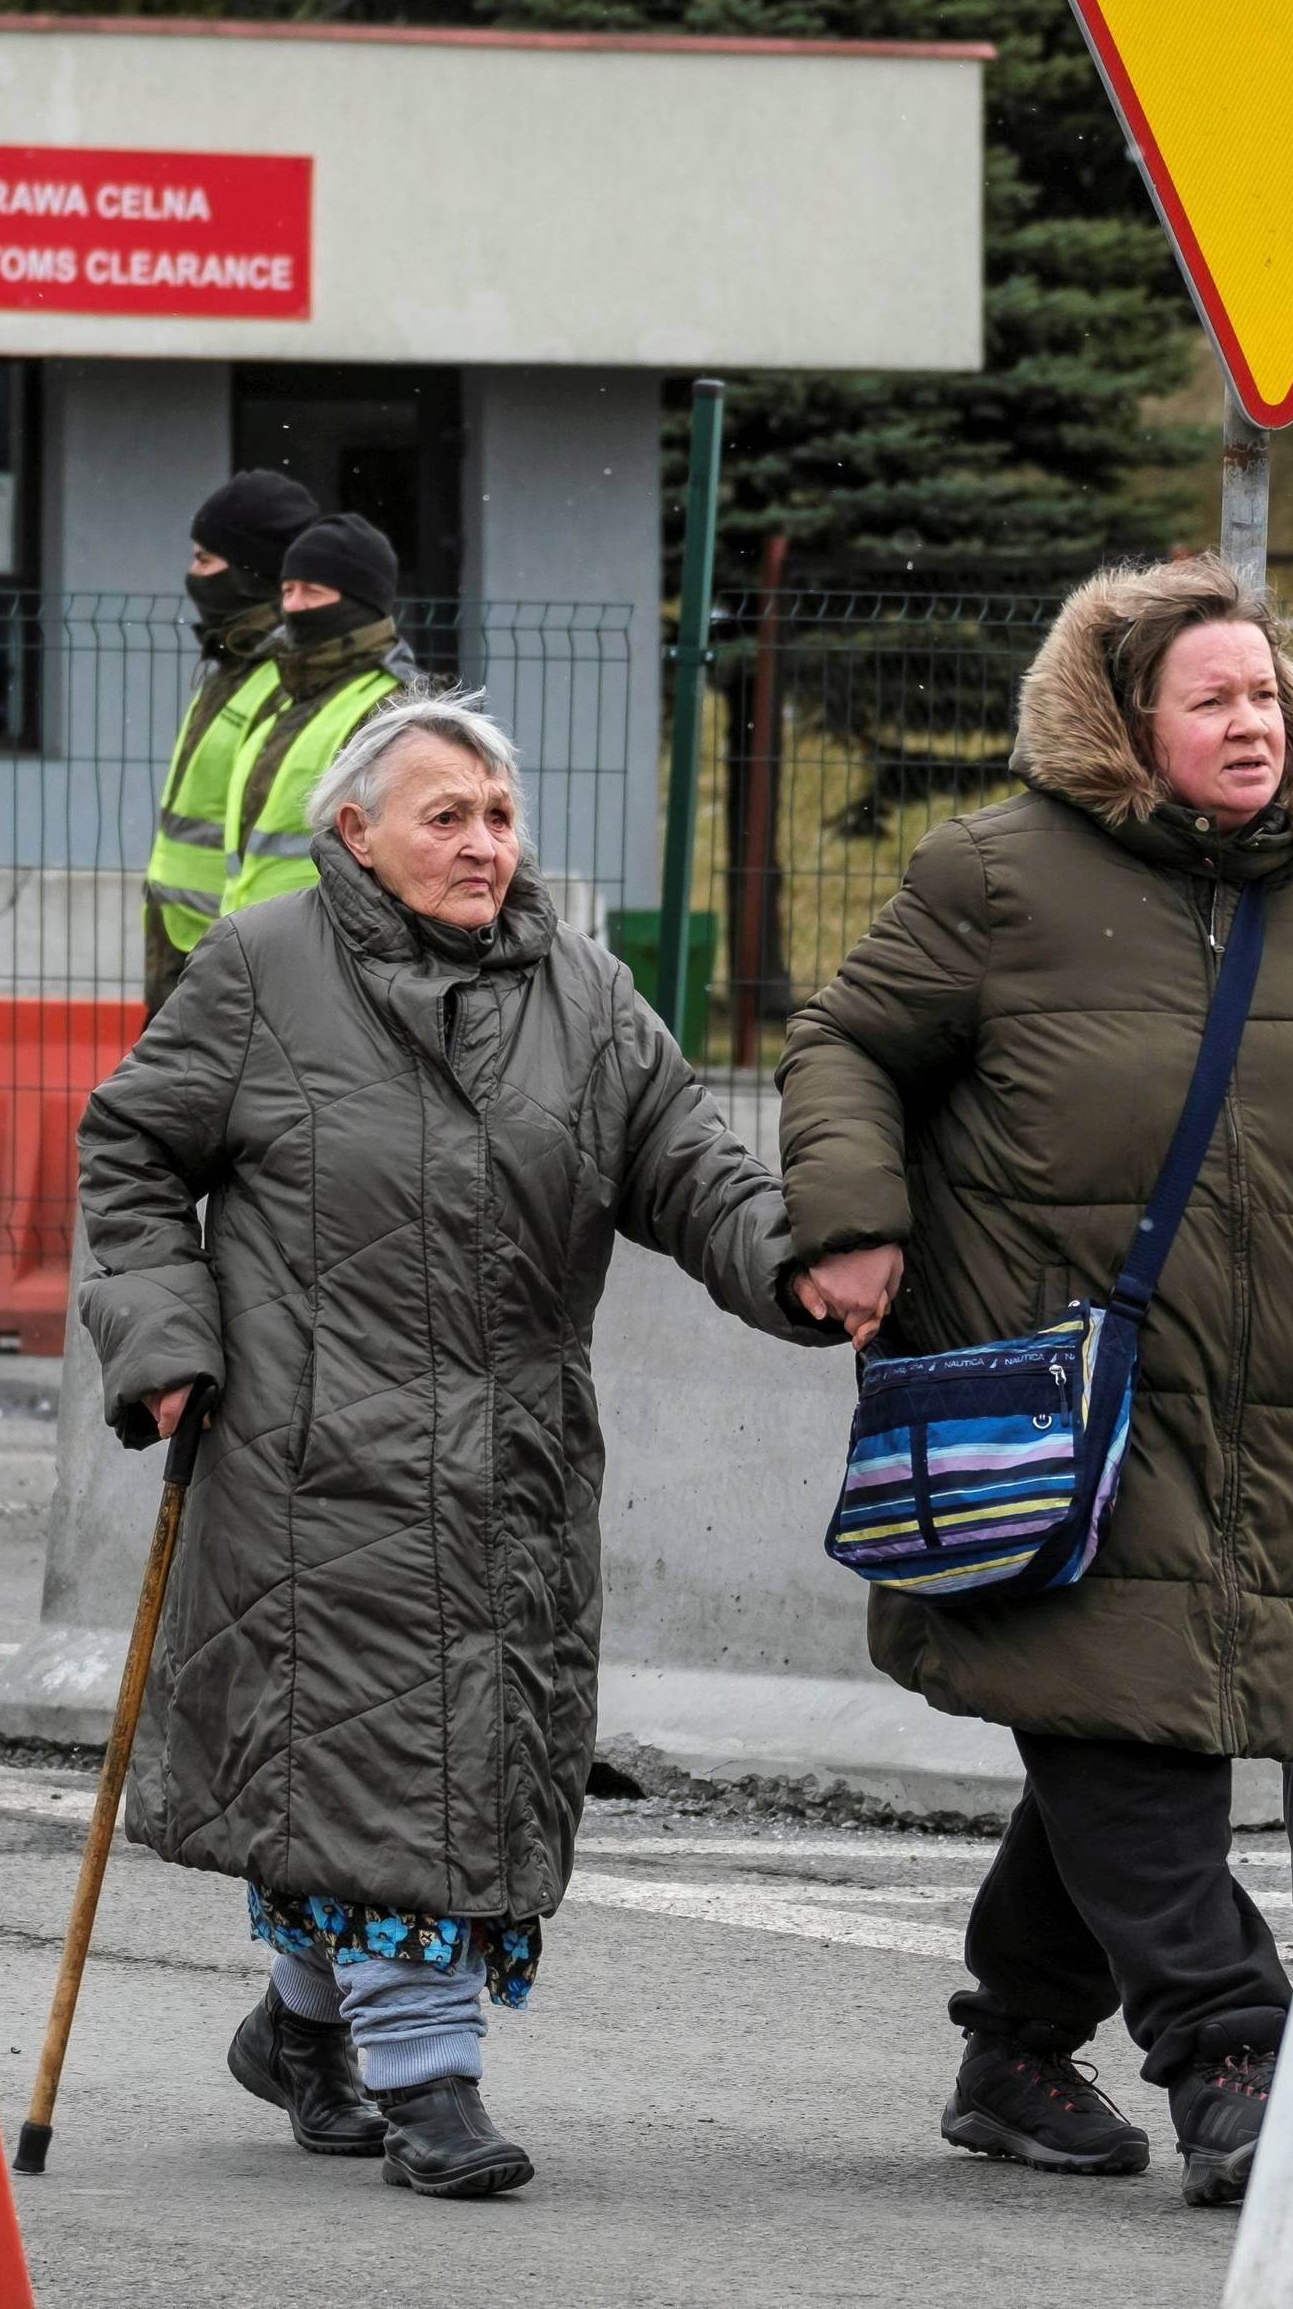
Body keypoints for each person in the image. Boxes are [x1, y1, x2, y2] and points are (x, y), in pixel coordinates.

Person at [779, 556, 1293, 2210]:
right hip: (1063, 1406)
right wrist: (849, 1221)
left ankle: (1018, 2041)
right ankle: (1236, 2055)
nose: (1251, 720)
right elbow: (841, 1044)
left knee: (1136, 1712)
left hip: (1277, 1414)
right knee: (1141, 1730)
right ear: (1123, 723)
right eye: (1213, 697)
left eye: (1266, 692)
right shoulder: (996, 873)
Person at [76, 686, 837, 2200]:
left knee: (435, 1765)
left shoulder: (586, 992)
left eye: (500, 815)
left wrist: (798, 1264)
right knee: (378, 1757)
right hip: (311, 1457)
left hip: (516, 1467)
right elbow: (134, 1146)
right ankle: (429, 2081)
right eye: (449, 815)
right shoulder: (262, 967)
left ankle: (304, 2029)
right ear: (353, 831)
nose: (485, 843)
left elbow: (686, 1160)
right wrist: (165, 1339)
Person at [144, 469, 319, 1014]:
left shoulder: (292, 679)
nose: (191, 576)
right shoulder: (231, 665)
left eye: (204, 560)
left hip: (237, 959)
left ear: (248, 572)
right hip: (185, 942)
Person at [220, 511, 420, 919]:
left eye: (311, 591)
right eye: (287, 590)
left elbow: (400, 853)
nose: (293, 606)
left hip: (326, 949)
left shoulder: (390, 707)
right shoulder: (286, 696)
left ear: (359, 603)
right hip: (253, 940)